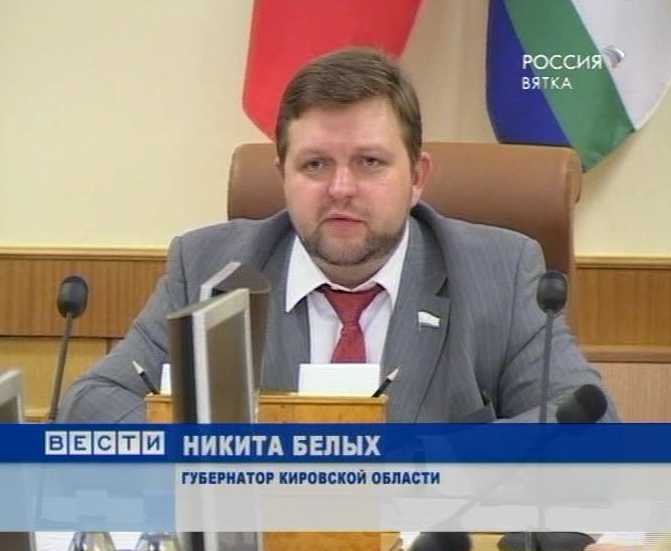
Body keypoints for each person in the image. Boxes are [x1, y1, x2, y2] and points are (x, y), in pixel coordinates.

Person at [58, 47, 617, 423]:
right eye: (315, 165)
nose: (341, 189)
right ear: (282, 175)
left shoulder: (499, 271)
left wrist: (412, 467)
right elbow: (90, 404)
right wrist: (236, 457)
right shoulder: (208, 268)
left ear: (417, 178)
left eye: (370, 162)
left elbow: (587, 422)